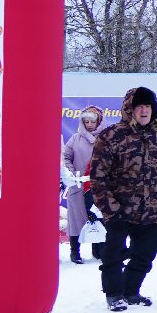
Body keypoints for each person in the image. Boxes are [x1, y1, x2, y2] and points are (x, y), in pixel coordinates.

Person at [89, 87, 157, 310]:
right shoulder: (111, 136)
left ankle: (130, 291)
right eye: (139, 106)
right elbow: (98, 177)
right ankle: (114, 294)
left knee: (145, 255)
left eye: (147, 106)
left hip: (153, 208)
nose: (144, 110)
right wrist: (110, 209)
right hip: (120, 208)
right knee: (113, 255)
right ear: (130, 109)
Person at [62, 105, 104, 264]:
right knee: (76, 219)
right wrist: (71, 173)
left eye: (92, 121)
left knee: (98, 217)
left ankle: (98, 250)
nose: (89, 125)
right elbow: (65, 157)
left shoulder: (106, 138)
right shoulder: (75, 139)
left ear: (99, 121)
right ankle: (75, 251)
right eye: (86, 121)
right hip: (78, 186)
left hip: (99, 186)